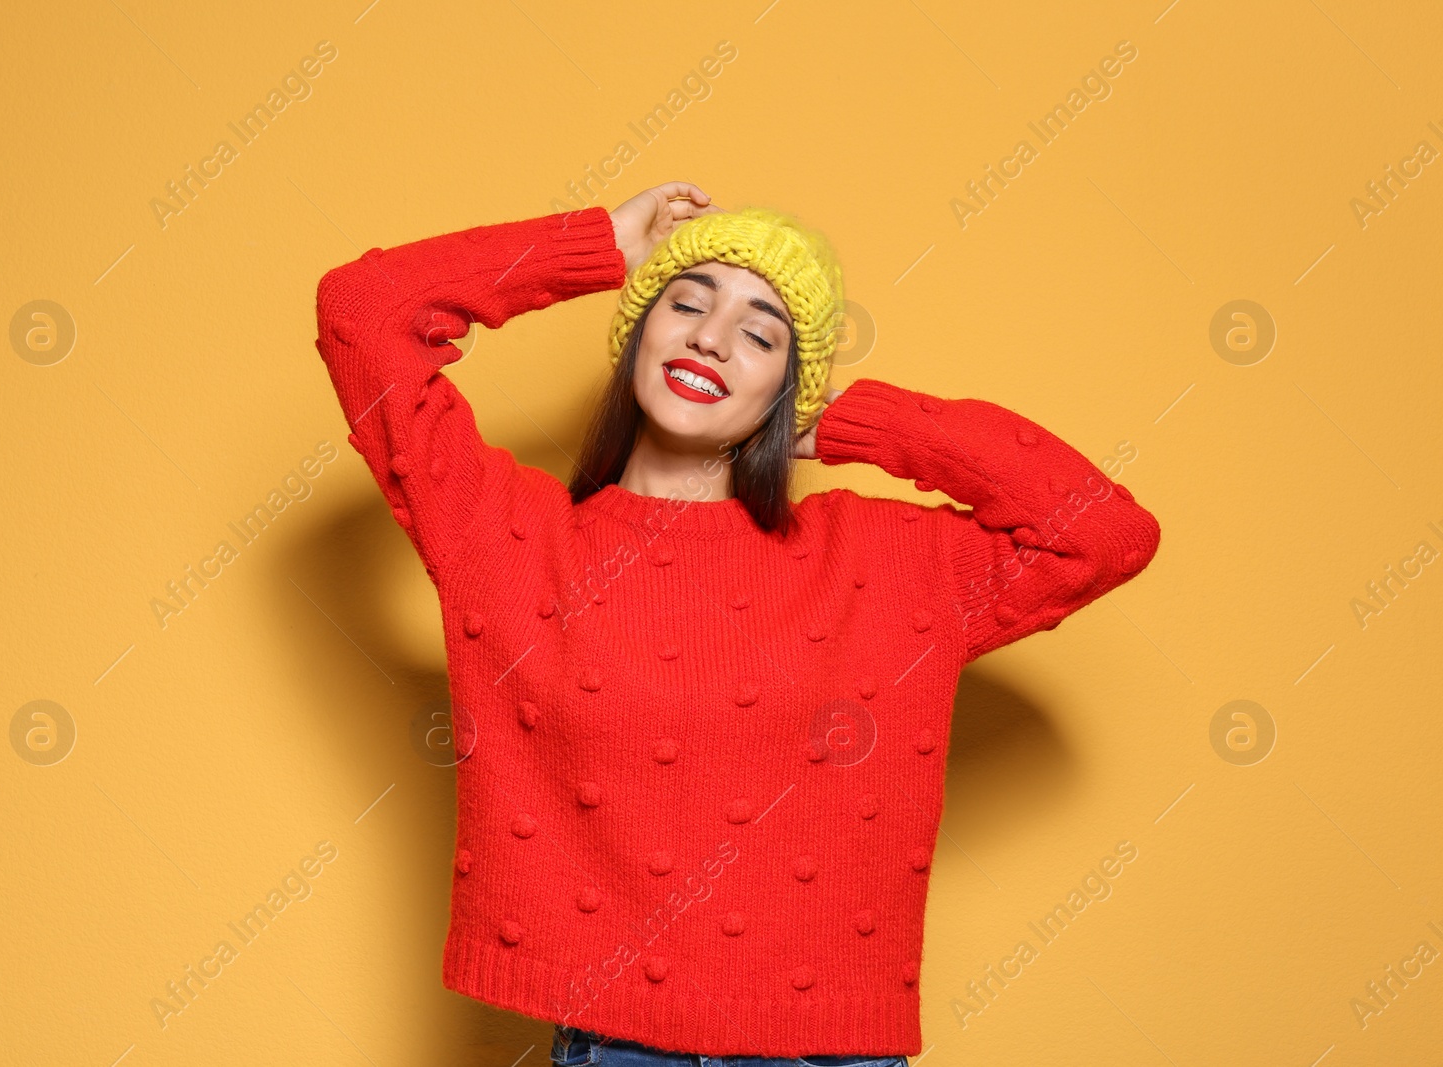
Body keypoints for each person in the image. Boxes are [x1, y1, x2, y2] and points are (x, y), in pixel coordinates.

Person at [313, 181, 1161, 1066]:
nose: (711, 338)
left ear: (786, 385)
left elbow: (1103, 535)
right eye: (685, 303)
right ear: (638, 330)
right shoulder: (511, 538)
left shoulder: (881, 560)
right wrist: (601, 243)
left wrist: (851, 421)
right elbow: (363, 310)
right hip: (619, 1047)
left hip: (837, 1054)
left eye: (762, 333)